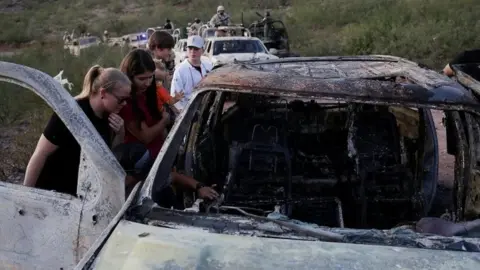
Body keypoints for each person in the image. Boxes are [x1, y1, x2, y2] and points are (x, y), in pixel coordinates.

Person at [117, 49, 218, 198]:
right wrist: (164, 120)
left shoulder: (149, 93)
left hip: (162, 160)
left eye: (150, 77)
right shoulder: (127, 102)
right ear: (129, 77)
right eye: (141, 78)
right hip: (142, 168)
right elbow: (145, 136)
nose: (147, 83)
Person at [23, 66, 132, 196]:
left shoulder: (107, 116)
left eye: (127, 99)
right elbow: (41, 154)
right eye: (121, 99)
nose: (124, 104)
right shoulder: (71, 112)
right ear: (103, 93)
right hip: (52, 193)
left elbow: (109, 159)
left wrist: (120, 133)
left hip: (80, 196)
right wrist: (25, 195)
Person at [170, 35, 213, 112]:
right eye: (190, 48)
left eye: (196, 49)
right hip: (188, 110)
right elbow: (175, 96)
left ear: (202, 50)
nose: (192, 52)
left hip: (207, 108)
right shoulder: (180, 70)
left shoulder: (208, 66)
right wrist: (183, 113)